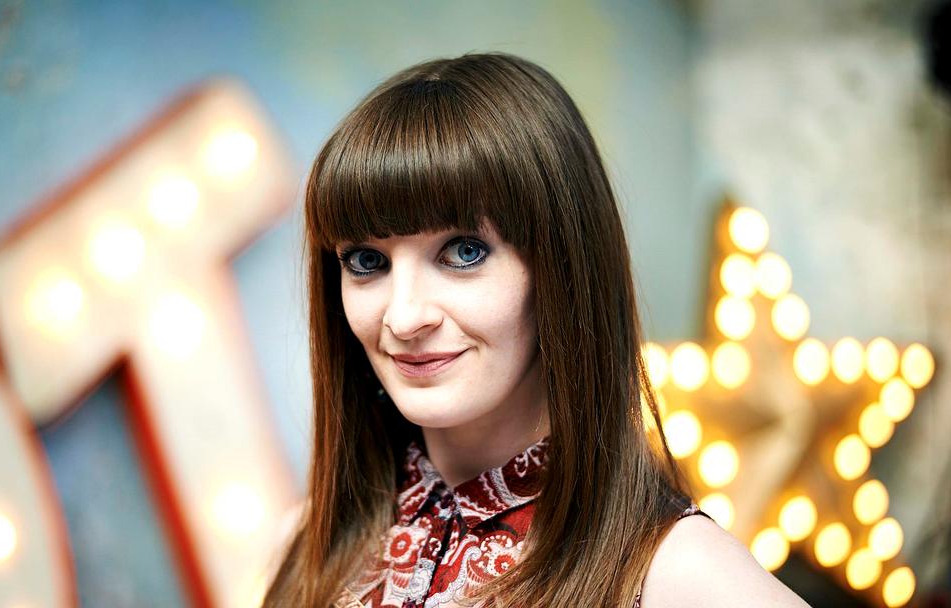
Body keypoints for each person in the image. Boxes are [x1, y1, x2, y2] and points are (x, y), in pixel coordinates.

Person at [263, 52, 810, 608]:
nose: (403, 318)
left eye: (464, 252)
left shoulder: (677, 573)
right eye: (366, 262)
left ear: (563, 268)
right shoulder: (307, 544)